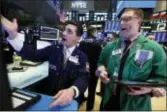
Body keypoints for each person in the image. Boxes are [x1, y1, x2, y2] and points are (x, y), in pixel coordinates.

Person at [1, 18, 89, 108]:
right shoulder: (54, 49)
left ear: (78, 38)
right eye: (64, 30)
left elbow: (83, 78)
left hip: (68, 102)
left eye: (69, 32)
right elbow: (33, 55)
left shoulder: (82, 57)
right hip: (51, 98)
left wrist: (72, 91)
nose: (64, 33)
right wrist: (13, 36)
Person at [96, 8, 167, 111]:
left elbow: (163, 79)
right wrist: (101, 71)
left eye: (127, 19)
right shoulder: (110, 46)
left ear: (139, 21)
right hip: (109, 101)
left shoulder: (154, 48)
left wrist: (149, 89)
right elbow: (100, 63)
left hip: (135, 104)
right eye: (121, 20)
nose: (122, 23)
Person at [79, 26, 102, 110]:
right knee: (92, 90)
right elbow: (100, 59)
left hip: (82, 69)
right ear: (93, 32)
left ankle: (80, 100)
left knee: (80, 86)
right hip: (93, 70)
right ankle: (89, 108)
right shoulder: (97, 43)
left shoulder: (81, 42)